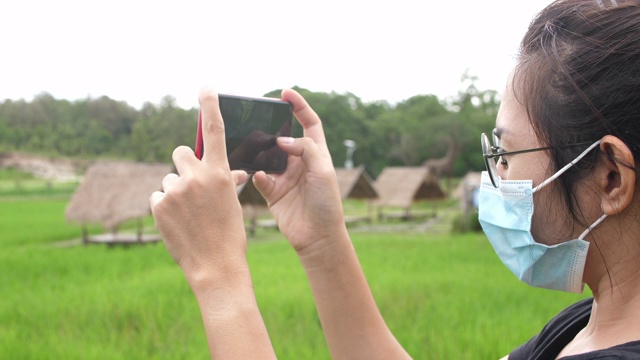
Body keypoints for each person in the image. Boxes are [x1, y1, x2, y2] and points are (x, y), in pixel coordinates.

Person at [149, 0, 640, 358]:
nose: (497, 174)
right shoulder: (587, 324)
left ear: (611, 178)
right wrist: (322, 241)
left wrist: (218, 279)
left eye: (506, 152)